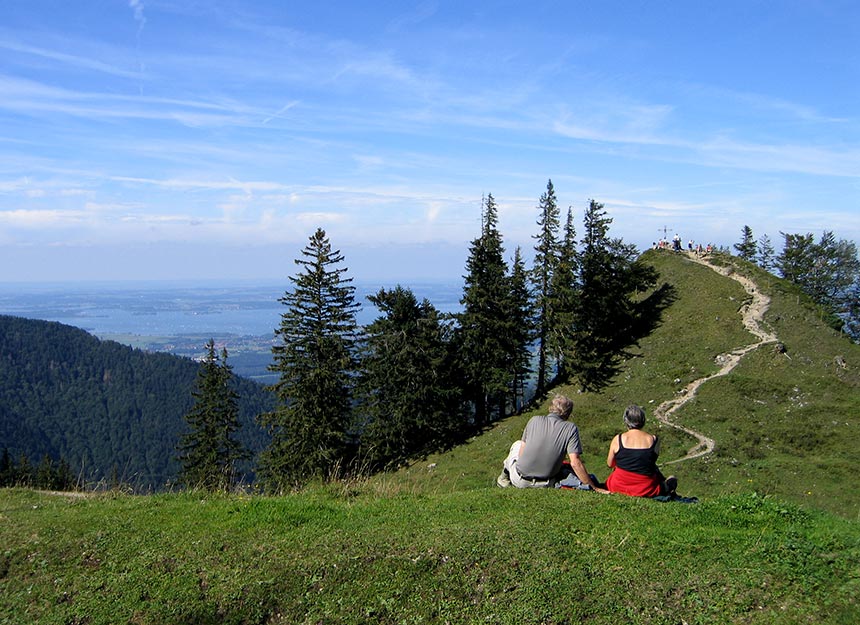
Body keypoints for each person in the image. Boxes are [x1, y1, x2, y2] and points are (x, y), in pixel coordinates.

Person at [497, 395, 607, 492]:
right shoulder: (570, 428)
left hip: (520, 480)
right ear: (568, 413)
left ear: (550, 408)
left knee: (517, 444)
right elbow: (575, 462)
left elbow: (522, 453)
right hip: (546, 483)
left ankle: (503, 479)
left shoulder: (534, 420)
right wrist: (594, 487)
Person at [605, 405, 677, 497]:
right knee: (671, 480)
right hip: (646, 489)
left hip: (618, 486)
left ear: (626, 421)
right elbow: (651, 462)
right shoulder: (654, 440)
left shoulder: (618, 439)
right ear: (643, 421)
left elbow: (610, 464)